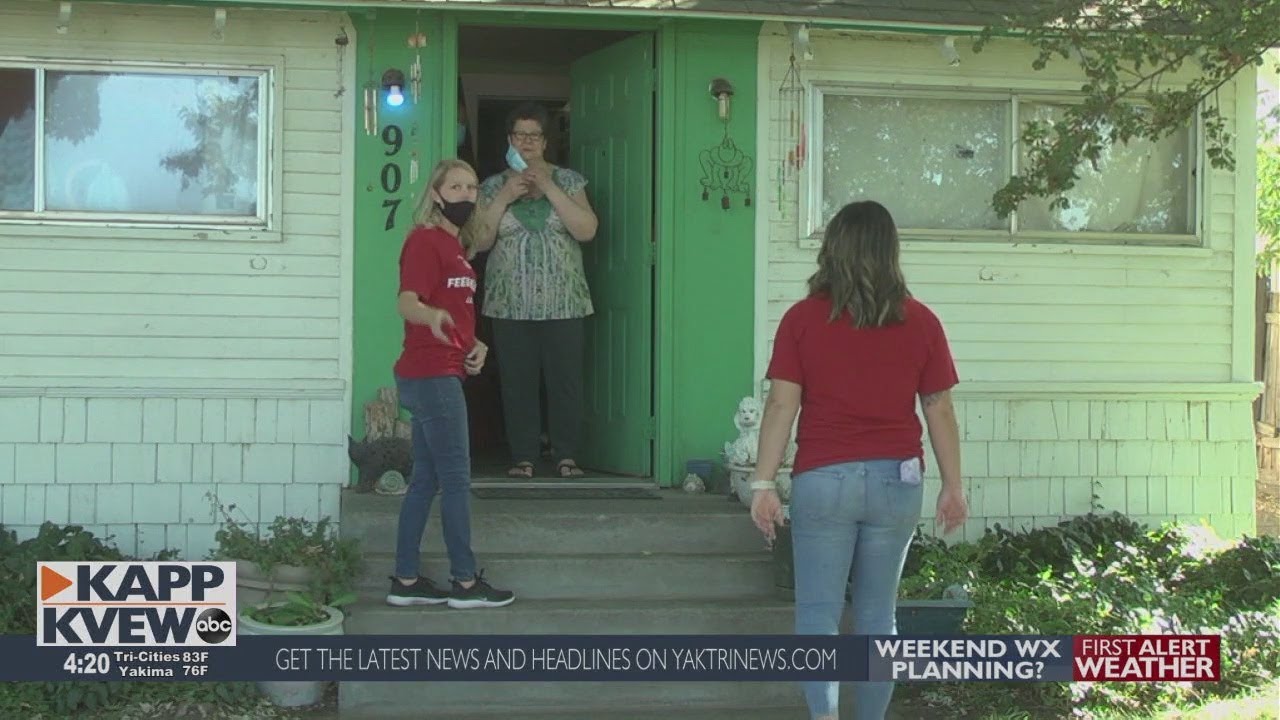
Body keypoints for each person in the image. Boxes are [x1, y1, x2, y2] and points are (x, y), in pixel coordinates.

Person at [750, 200, 969, 719]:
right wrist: (953, 486)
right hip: (898, 479)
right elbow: (938, 408)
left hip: (824, 478)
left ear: (833, 251)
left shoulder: (803, 319)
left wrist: (762, 483)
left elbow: (783, 404)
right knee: (877, 619)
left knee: (818, 620)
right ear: (890, 253)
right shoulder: (922, 321)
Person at [386, 158, 515, 610]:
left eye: (472, 187)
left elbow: (453, 310)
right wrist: (432, 317)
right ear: (437, 195)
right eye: (455, 186)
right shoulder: (425, 242)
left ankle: (404, 579)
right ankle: (464, 583)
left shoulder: (456, 247)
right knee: (457, 479)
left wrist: (473, 342)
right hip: (430, 373)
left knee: (425, 480)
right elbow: (407, 302)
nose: (465, 194)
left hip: (441, 367)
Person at [471, 101, 599, 479]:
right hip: (510, 302)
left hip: (565, 301)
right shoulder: (491, 186)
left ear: (545, 141)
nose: (526, 143)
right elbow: (478, 241)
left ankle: (566, 456)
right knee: (517, 382)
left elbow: (586, 230)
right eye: (519, 135)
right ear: (509, 140)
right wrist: (506, 196)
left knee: (565, 381)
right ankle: (523, 456)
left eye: (534, 135)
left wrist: (547, 186)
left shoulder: (570, 181)